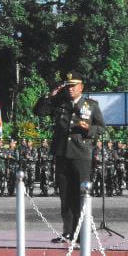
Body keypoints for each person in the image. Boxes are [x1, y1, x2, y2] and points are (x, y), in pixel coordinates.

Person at [34, 74, 105, 242]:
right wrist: (50, 96)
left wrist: (88, 129)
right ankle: (67, 232)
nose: (70, 88)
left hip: (81, 154)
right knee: (65, 195)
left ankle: (81, 233)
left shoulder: (91, 105)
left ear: (82, 87)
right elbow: (39, 111)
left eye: (74, 85)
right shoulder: (59, 103)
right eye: (68, 86)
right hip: (62, 153)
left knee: (81, 194)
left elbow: (101, 128)